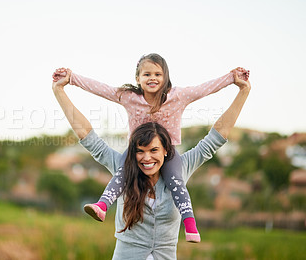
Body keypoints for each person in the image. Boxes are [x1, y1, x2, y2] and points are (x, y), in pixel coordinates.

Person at [52, 71, 250, 259]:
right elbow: (88, 136)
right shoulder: (124, 168)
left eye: (153, 150)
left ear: (165, 150)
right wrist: (59, 91)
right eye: (140, 151)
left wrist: (243, 91)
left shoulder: (181, 168)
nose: (147, 158)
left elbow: (216, 137)